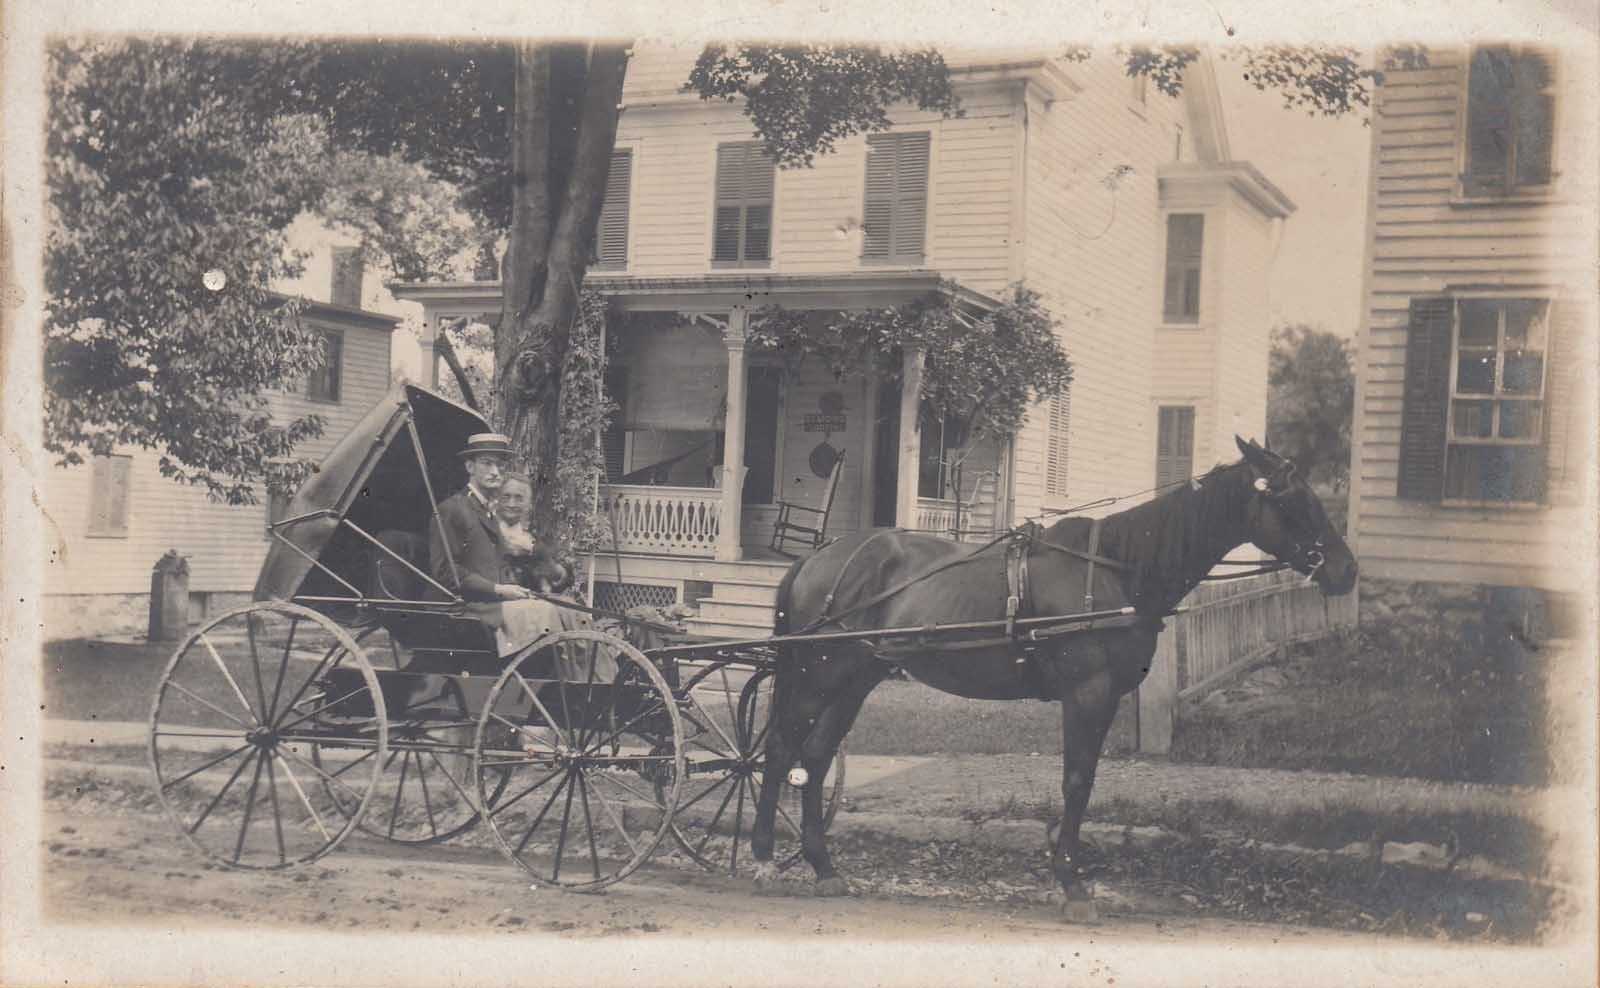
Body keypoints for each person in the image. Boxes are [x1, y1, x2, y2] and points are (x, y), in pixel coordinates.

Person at [428, 433, 589, 662]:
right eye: (487, 463)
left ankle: (594, 681)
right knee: (545, 613)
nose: (495, 471)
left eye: (500, 465)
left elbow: (498, 566)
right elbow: (445, 571)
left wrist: (518, 587)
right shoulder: (453, 509)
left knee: (571, 610)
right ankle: (559, 682)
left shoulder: (488, 513)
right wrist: (499, 589)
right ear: (470, 466)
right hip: (466, 609)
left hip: (492, 603)